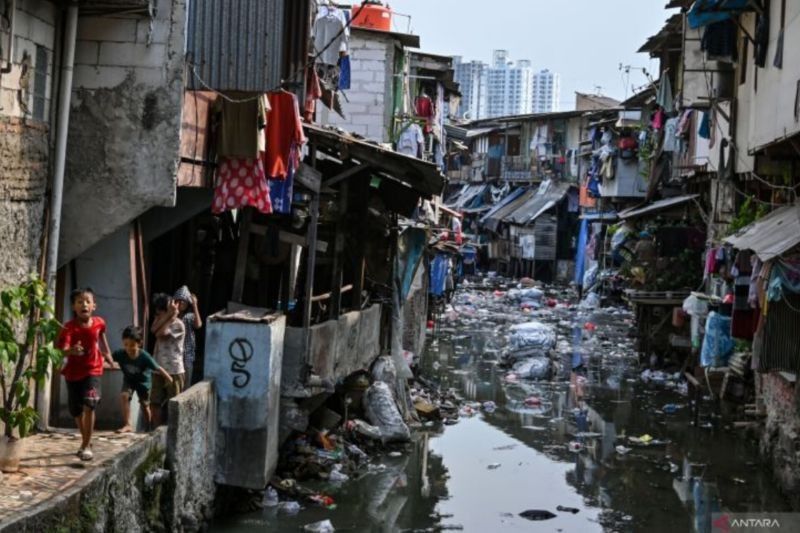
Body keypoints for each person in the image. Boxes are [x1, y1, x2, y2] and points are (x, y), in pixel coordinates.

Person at [57, 288, 115, 461]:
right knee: (76, 411)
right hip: (73, 373)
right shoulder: (69, 327)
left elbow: (101, 338)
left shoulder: (99, 323)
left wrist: (108, 354)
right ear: (74, 307)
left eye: (88, 301)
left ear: (94, 306)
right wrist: (71, 351)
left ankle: (86, 446)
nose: (84, 304)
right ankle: (86, 441)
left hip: (93, 369)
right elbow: (62, 350)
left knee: (90, 404)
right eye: (80, 302)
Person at [113, 326, 173, 433]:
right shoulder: (120, 354)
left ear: (139, 344)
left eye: (132, 345)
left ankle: (148, 426)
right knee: (124, 396)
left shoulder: (145, 356)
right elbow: (108, 357)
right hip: (129, 380)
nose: (129, 349)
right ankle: (127, 424)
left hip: (143, 383)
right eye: (126, 345)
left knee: (144, 406)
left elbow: (158, 367)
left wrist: (168, 378)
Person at [149, 293, 185, 426]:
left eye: (160, 313)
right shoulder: (159, 320)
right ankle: (157, 431)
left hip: (174, 370)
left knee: (173, 403)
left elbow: (161, 333)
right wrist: (166, 317)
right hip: (158, 368)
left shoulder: (178, 324)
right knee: (155, 402)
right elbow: (153, 330)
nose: (157, 316)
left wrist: (170, 318)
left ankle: (171, 432)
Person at [173, 286, 202, 385]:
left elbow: (198, 325)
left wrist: (195, 306)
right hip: (174, 356)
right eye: (179, 301)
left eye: (184, 302)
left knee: (186, 384)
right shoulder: (171, 315)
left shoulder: (188, 316)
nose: (181, 303)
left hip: (187, 356)